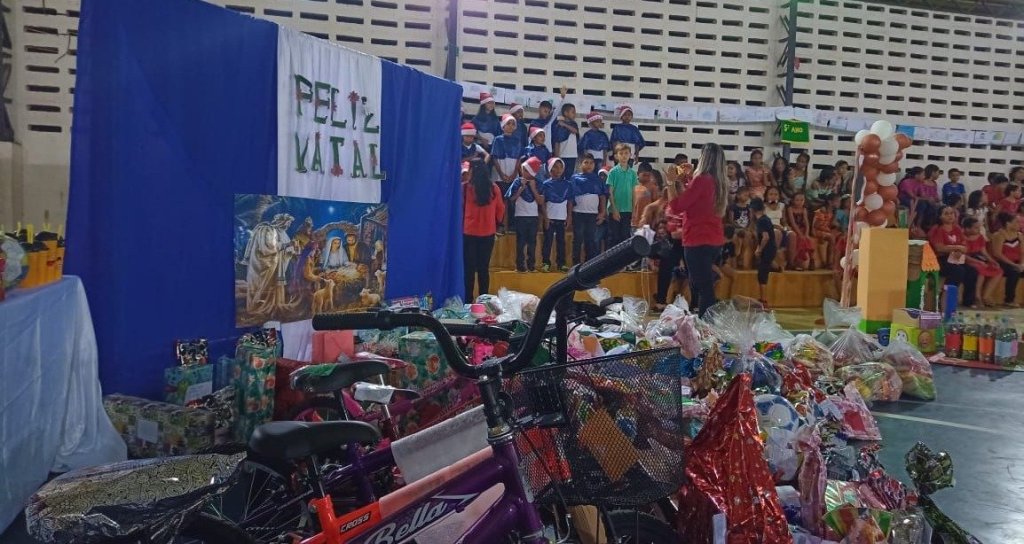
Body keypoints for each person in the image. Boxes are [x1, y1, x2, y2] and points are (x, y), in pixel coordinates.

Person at [662, 142, 728, 317]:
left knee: (703, 288)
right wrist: (689, 177)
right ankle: (704, 322)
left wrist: (670, 182)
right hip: (713, 240)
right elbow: (698, 199)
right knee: (700, 285)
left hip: (698, 239)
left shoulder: (702, 180)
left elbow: (677, 206)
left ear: (704, 158)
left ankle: (706, 325)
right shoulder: (719, 181)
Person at [462, 160, 505, 300]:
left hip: (468, 233)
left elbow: (459, 209)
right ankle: (484, 301)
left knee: (468, 269)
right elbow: (500, 210)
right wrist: (496, 224)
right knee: (483, 269)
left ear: (472, 171)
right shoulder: (494, 188)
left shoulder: (464, 188)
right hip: (488, 233)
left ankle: (468, 301)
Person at [928, 205, 977, 308]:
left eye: (951, 213)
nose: (950, 216)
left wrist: (959, 250)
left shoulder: (957, 229)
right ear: (940, 216)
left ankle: (968, 301)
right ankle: (945, 297)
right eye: (946, 214)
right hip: (939, 259)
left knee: (972, 270)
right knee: (958, 271)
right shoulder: (937, 229)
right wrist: (957, 247)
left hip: (955, 258)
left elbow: (965, 247)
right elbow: (939, 248)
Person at [508, 156, 545, 272]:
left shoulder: (538, 183)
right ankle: (520, 266)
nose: (523, 172)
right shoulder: (517, 182)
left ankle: (531, 265)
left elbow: (540, 201)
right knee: (520, 242)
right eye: (523, 169)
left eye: (526, 170)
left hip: (533, 217)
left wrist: (533, 188)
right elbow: (511, 199)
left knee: (532, 242)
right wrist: (521, 188)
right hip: (520, 216)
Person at [570, 154, 607, 264]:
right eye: (586, 162)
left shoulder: (598, 179)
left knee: (590, 240)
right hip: (578, 213)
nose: (589, 165)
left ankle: (588, 265)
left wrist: (602, 212)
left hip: (592, 214)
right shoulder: (574, 178)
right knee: (578, 239)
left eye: (591, 163)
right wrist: (570, 215)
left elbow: (602, 196)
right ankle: (576, 264)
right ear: (580, 164)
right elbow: (570, 198)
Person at [962, 216, 1002, 309]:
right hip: (966, 260)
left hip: (978, 259)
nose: (979, 229)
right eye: (976, 227)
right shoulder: (961, 237)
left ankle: (986, 296)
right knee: (980, 269)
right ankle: (977, 297)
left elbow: (984, 252)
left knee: (998, 270)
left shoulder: (980, 237)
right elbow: (963, 256)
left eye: (979, 227)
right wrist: (978, 262)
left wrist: (993, 261)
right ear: (967, 229)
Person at [541, 158, 572, 272]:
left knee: (561, 242)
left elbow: (569, 201)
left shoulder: (567, 184)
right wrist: (545, 218)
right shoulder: (546, 184)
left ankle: (561, 263)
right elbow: (543, 203)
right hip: (550, 218)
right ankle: (546, 263)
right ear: (550, 169)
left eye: (560, 167)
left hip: (562, 218)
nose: (558, 170)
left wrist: (569, 217)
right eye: (555, 167)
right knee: (547, 241)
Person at [606, 143, 639, 246]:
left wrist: (634, 210)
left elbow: (633, 192)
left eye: (626, 153)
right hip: (615, 209)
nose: (624, 156)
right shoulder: (613, 172)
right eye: (621, 153)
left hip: (627, 209)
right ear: (616, 156)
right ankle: (611, 257)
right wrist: (614, 209)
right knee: (614, 237)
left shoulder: (633, 173)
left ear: (630, 155)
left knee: (625, 236)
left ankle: (623, 257)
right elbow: (610, 192)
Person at [989, 212, 1024, 308]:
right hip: (1003, 262)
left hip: (1017, 262)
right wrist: (1014, 265)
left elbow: (1022, 252)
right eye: (1016, 222)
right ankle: (1009, 300)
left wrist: (1022, 264)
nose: (1020, 224)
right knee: (1014, 272)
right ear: (1008, 224)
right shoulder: (999, 235)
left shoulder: (1020, 235)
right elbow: (997, 254)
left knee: (1018, 269)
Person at [751, 197, 776, 307]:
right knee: (764, 270)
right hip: (771, 248)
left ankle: (763, 301)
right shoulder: (766, 219)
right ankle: (777, 267)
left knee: (762, 274)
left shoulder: (761, 221)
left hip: (767, 249)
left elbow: (765, 237)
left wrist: (759, 249)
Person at [786, 192, 814, 270]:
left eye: (802, 200)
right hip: (794, 229)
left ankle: (812, 259)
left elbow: (806, 223)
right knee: (800, 239)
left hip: (802, 229)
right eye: (797, 200)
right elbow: (793, 223)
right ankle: (796, 261)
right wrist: (800, 234)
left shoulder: (804, 209)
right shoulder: (790, 209)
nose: (800, 202)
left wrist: (807, 233)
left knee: (807, 239)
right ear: (793, 200)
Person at [728, 185, 753, 269]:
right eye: (744, 195)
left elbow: (751, 220)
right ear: (738, 196)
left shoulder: (749, 207)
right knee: (743, 233)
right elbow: (731, 220)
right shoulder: (733, 207)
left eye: (747, 195)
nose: (746, 197)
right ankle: (738, 255)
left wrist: (749, 228)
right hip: (736, 228)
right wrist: (740, 227)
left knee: (749, 235)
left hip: (746, 228)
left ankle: (742, 255)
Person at [551, 103, 580, 175]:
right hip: (562, 155)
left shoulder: (574, 124)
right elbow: (557, 141)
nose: (575, 114)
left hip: (572, 155)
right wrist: (557, 157)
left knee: (569, 175)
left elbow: (575, 131)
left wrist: (564, 125)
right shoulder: (559, 126)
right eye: (573, 112)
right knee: (560, 174)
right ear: (566, 113)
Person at [813, 193, 838, 270]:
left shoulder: (833, 211)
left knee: (840, 236)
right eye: (837, 201)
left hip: (826, 230)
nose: (838, 203)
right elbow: (816, 225)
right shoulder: (822, 210)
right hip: (817, 230)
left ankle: (836, 262)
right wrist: (828, 230)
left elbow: (832, 224)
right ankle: (829, 263)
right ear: (830, 202)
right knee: (831, 237)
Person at [632, 162, 657, 228]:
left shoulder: (653, 187)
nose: (646, 177)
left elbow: (656, 206)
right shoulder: (632, 185)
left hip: (646, 223)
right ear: (638, 173)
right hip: (633, 223)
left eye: (648, 175)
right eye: (644, 175)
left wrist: (654, 222)